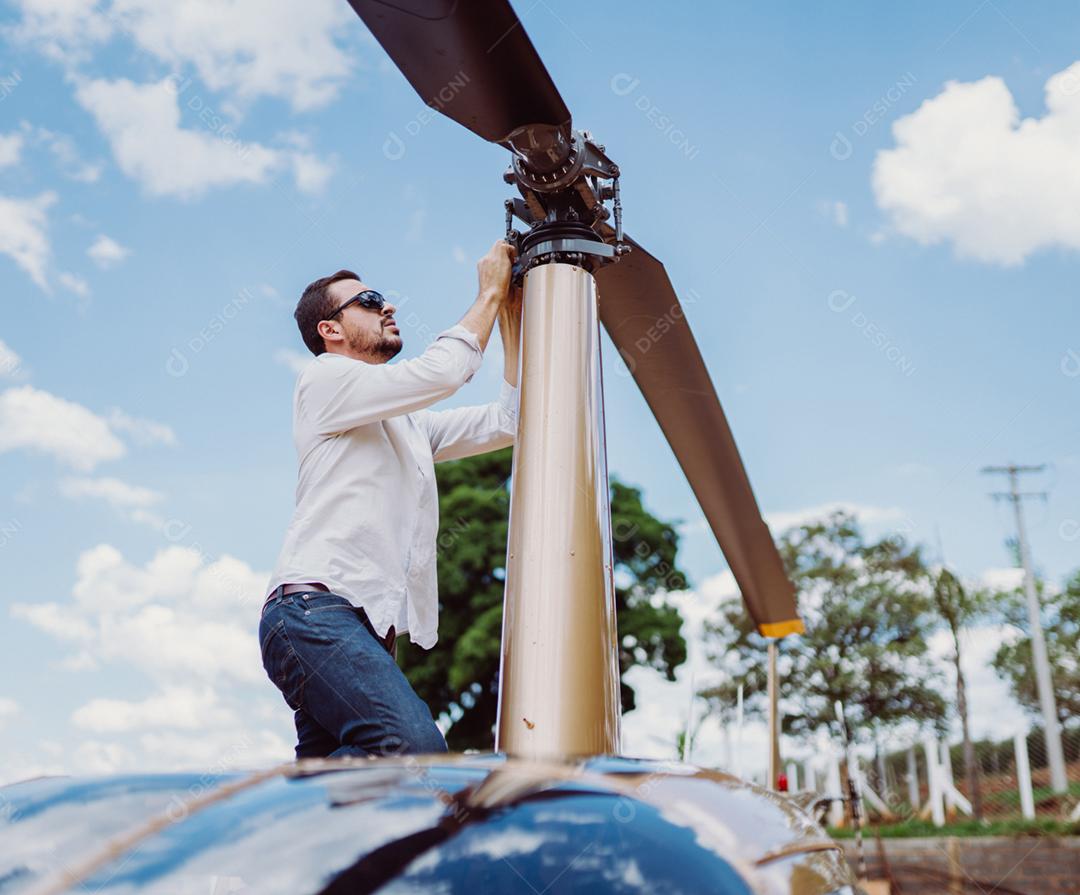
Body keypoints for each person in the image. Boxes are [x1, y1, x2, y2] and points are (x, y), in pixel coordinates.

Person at [259, 240, 522, 759]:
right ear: (329, 330)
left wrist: (511, 319)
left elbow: (507, 421)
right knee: (412, 753)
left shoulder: (406, 424)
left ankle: (281, 831)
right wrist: (489, 293)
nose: (389, 307)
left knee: (344, 801)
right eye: (370, 300)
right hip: (314, 611)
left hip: (355, 625)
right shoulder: (324, 379)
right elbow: (444, 373)